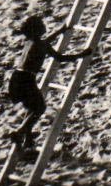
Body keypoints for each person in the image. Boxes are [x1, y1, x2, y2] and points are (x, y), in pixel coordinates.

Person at [6, 15, 88, 151]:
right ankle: (20, 132)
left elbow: (45, 42)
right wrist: (81, 55)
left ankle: (28, 142)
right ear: (38, 29)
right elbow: (60, 58)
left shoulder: (30, 42)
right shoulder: (42, 45)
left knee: (32, 109)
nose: (44, 27)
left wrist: (59, 32)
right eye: (42, 25)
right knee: (39, 108)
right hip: (27, 80)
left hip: (16, 78)